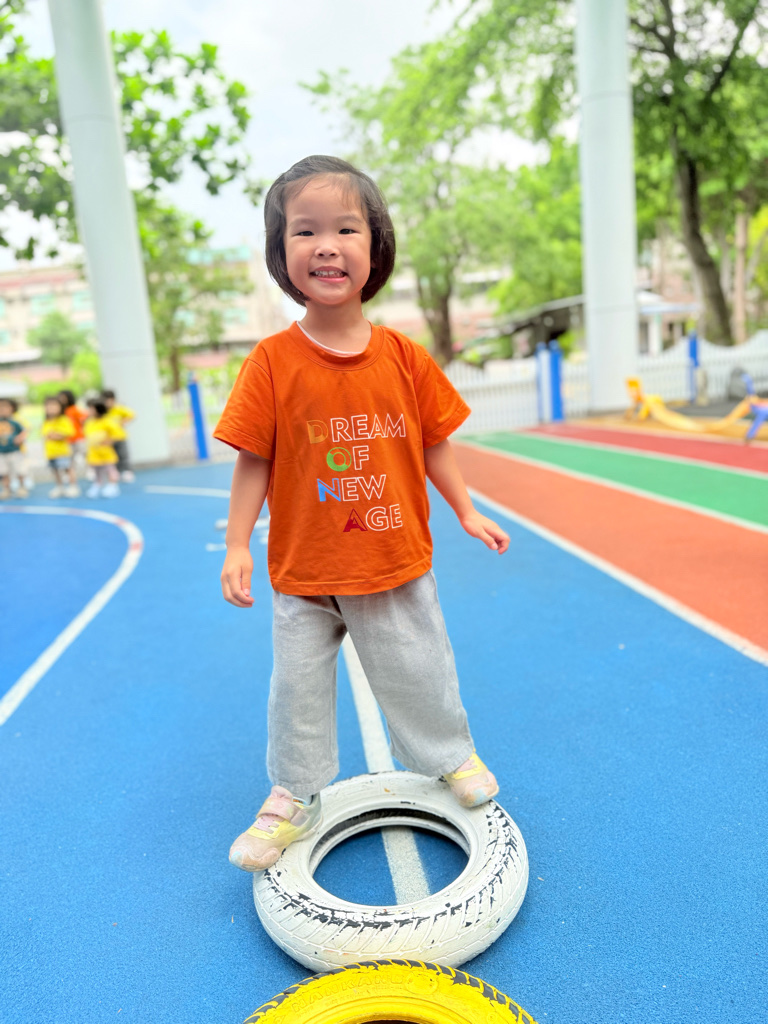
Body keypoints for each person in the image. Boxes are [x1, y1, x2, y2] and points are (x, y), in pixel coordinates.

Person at [214, 155, 510, 873]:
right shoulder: (271, 362)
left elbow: (434, 443)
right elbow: (252, 458)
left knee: (419, 670)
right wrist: (237, 545)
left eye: (346, 229)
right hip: (305, 569)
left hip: (392, 558)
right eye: (304, 231)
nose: (326, 245)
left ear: (375, 247)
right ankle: (296, 793)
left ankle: (451, 756)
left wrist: (467, 511)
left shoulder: (405, 357)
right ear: (281, 253)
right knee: (297, 691)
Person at [83, 398, 122, 498]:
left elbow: (117, 434)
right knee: (96, 470)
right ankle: (98, 484)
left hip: (105, 451)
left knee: (110, 468)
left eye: (92, 409)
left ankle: (113, 485)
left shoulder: (107, 421)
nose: (89, 411)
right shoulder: (89, 422)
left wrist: (109, 441)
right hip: (94, 452)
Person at [41, 395, 76, 498]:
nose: (50, 408)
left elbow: (70, 432)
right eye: (48, 406)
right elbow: (44, 434)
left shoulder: (63, 419)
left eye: (53, 406)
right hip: (51, 452)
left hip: (63, 451)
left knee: (67, 469)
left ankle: (73, 486)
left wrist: (57, 435)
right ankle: (59, 486)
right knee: (55, 470)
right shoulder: (46, 421)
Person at [101, 389, 136, 482]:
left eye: (108, 400)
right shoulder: (104, 411)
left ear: (113, 399)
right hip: (109, 438)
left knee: (123, 455)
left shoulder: (119, 408)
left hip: (120, 436)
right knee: (112, 457)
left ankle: (127, 472)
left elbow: (132, 414)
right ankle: (116, 472)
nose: (106, 403)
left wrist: (123, 422)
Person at [58, 389, 86, 497]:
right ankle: (70, 477)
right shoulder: (61, 411)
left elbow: (84, 419)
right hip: (68, 441)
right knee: (69, 461)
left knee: (85, 454)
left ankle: (91, 470)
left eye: (64, 397)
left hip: (78, 438)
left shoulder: (74, 409)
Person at [0, 397, 28, 499]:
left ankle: (22, 487)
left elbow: (24, 431)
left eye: (5, 407)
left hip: (14, 451)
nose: (3, 409)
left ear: (12, 408)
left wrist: (20, 438)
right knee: (4, 472)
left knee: (19, 470)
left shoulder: (15, 421)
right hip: (1, 452)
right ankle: (7, 489)